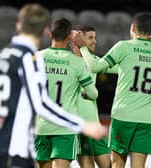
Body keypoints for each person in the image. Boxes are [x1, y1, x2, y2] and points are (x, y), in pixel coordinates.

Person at [0, 4, 106, 168]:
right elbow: (41, 104)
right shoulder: (31, 59)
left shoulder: (3, 55)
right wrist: (82, 125)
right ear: (43, 32)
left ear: (19, 25)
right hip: (22, 143)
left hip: (5, 140)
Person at [72, 12, 151, 168]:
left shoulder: (124, 47)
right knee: (139, 165)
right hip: (147, 118)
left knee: (117, 164)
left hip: (124, 115)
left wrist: (82, 47)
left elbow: (95, 67)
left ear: (133, 28)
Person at [34, 18, 102, 168]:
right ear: (70, 36)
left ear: (50, 35)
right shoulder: (77, 62)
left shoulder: (37, 58)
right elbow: (93, 94)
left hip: (42, 126)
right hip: (64, 128)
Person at [70, 25, 112, 168]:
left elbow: (121, 67)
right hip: (81, 123)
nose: (95, 41)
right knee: (87, 165)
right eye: (90, 38)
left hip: (95, 123)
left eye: (95, 38)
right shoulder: (68, 61)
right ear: (79, 39)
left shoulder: (94, 61)